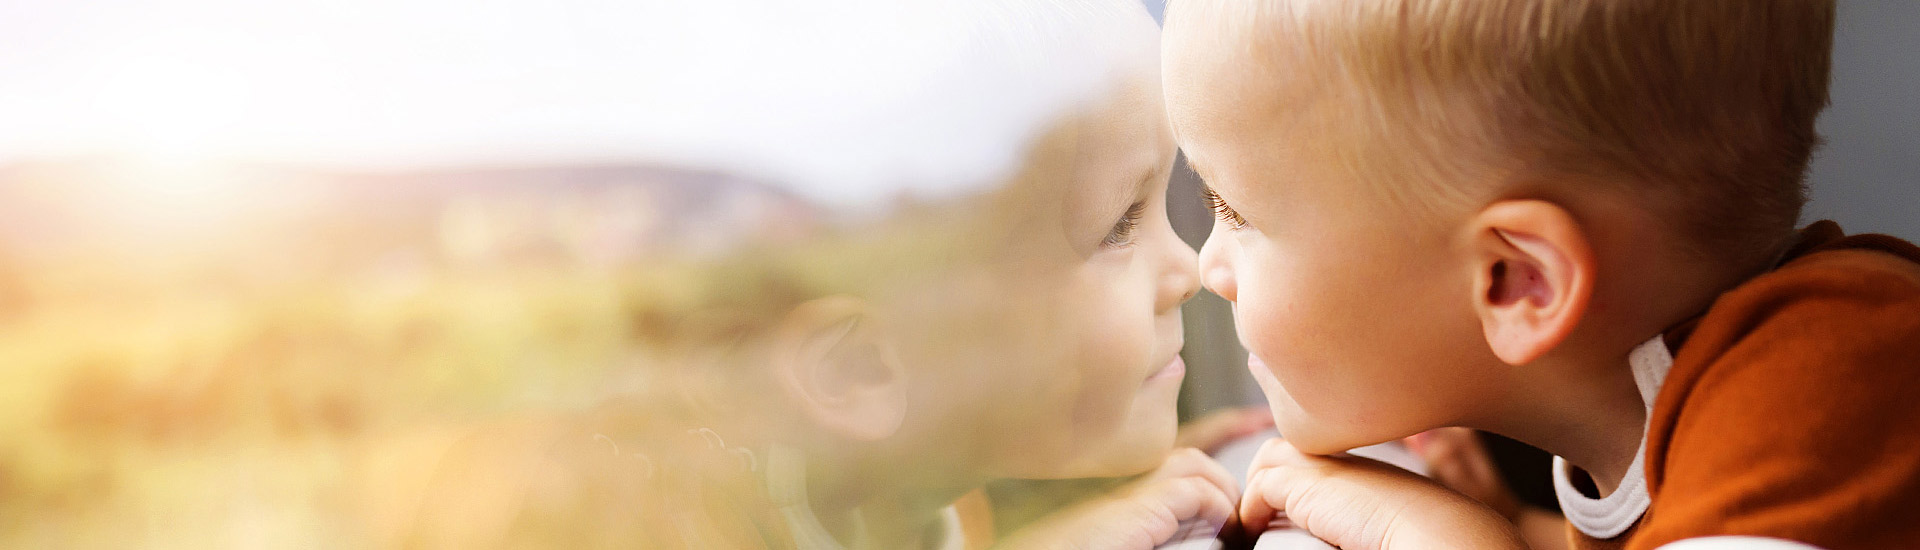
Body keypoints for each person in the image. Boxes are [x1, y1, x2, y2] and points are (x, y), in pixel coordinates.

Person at [405, 1, 1243, 548]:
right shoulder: (626, 524)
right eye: (1117, 227)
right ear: (860, 367)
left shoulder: (856, 486)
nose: (1192, 270)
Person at [1160, 0, 1920, 549]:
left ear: (1515, 280)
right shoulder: (1666, 404)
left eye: (1236, 211)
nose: (1207, 264)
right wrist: (1513, 526)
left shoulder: (1825, 396)